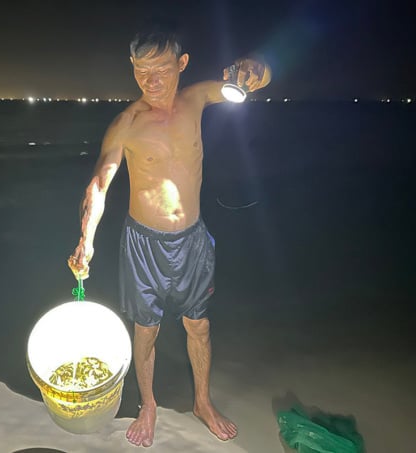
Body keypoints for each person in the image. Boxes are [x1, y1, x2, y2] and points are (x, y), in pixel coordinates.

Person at [68, 28, 271, 447]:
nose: (151, 81)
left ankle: (202, 401)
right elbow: (98, 186)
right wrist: (86, 240)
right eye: (142, 72)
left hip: (194, 240)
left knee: (198, 325)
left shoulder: (196, 99)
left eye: (161, 70)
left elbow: (255, 80)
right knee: (147, 330)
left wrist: (254, 68)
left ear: (182, 64)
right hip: (144, 244)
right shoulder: (126, 123)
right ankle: (149, 403)